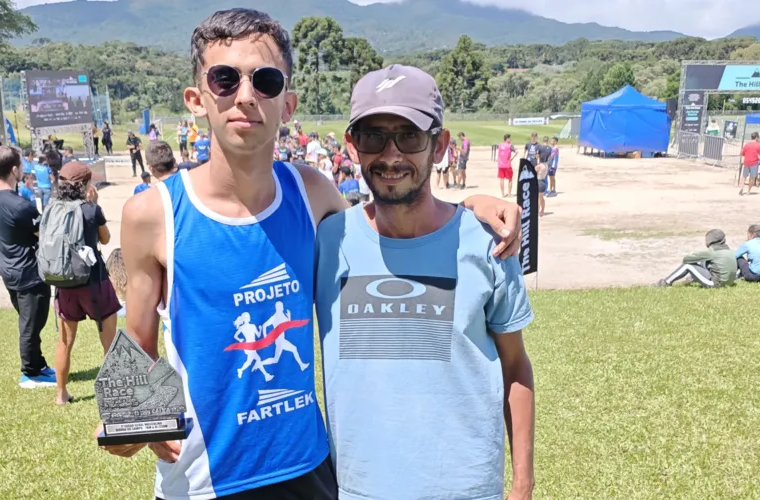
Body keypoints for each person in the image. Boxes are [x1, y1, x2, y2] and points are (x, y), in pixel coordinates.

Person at [100, 9, 523, 499]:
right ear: (197, 99)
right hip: (203, 481)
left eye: (265, 80)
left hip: (309, 471)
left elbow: (387, 223)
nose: (244, 96)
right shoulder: (152, 215)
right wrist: (132, 424)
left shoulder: (312, 193)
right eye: (224, 79)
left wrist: (468, 209)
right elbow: (138, 342)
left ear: (288, 102)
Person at [315, 63, 536, 500]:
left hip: (467, 489)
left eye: (410, 136)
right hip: (357, 489)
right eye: (374, 136)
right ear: (352, 146)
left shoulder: (489, 243)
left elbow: (515, 366)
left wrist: (523, 484)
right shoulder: (327, 239)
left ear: (440, 146)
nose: (391, 154)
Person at [50, 162, 121, 406]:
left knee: (65, 342)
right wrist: (96, 205)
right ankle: (111, 395)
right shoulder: (90, 210)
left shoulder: (52, 208)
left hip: (65, 284)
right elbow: (105, 238)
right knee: (108, 341)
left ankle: (61, 394)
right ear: (86, 184)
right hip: (94, 282)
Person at [0, 146, 56, 388]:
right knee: (31, 325)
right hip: (27, 274)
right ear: (15, 170)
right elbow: (44, 235)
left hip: (8, 269)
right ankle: (31, 373)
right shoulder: (20, 206)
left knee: (30, 322)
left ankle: (39, 363)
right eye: (21, 166)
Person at [655, 229, 737, 288]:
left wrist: (693, 255)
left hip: (716, 284)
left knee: (687, 266)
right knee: (704, 262)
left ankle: (665, 282)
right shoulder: (729, 250)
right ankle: (692, 279)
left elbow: (686, 259)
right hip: (729, 283)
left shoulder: (711, 252)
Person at [496, 133, 515, 197]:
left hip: (500, 165)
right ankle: (509, 194)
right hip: (507, 165)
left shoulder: (500, 145)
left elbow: (497, 146)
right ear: (507, 139)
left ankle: (503, 194)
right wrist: (512, 158)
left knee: (501, 179)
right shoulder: (510, 146)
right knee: (510, 179)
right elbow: (516, 151)